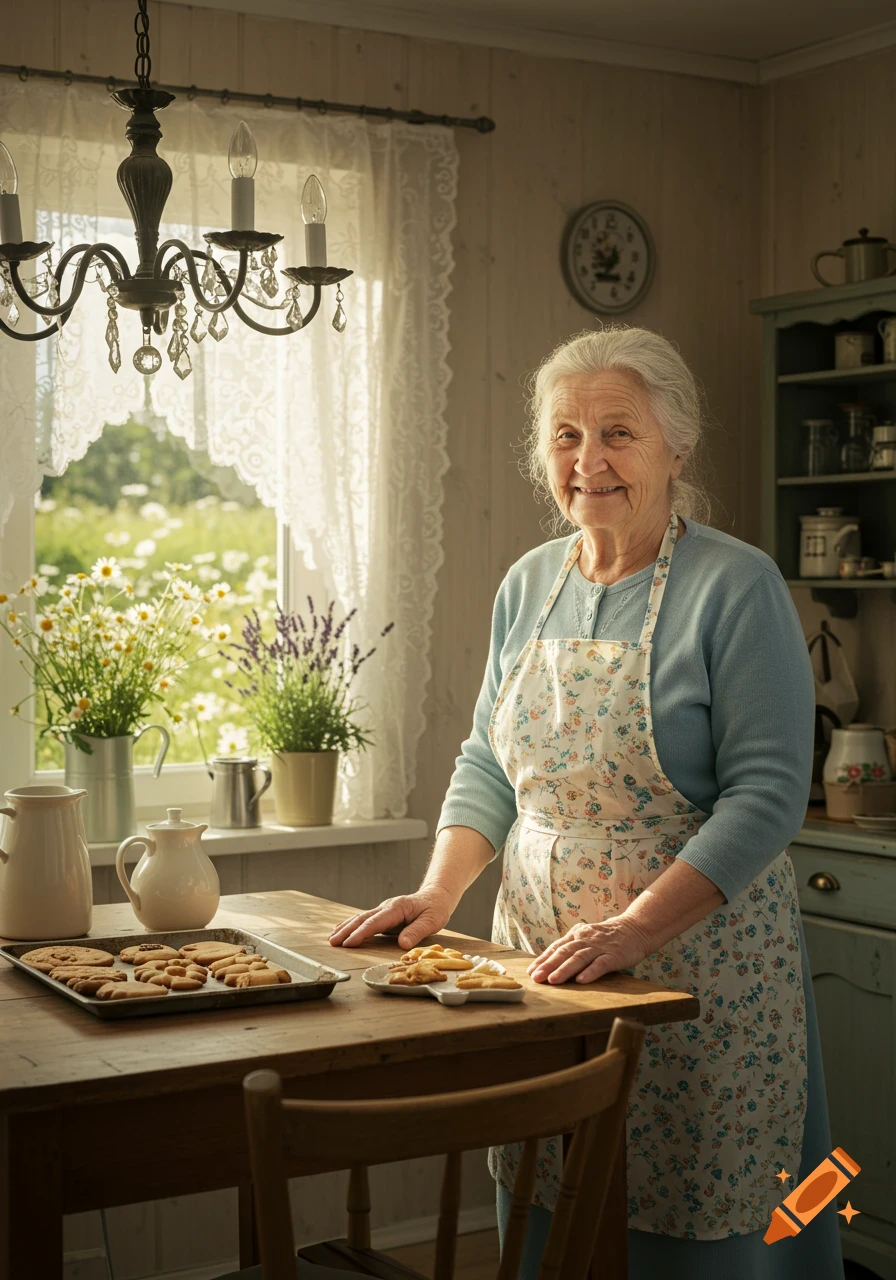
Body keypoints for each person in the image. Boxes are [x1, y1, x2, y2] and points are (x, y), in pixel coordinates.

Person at [330, 327, 843, 1279]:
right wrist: (439, 895)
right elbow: (489, 759)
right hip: (540, 969)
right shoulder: (531, 582)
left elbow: (769, 797)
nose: (588, 460)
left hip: (698, 979)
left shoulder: (738, 585)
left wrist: (638, 928)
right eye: (566, 435)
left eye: (618, 433)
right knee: (551, 1205)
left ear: (676, 449)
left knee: (707, 1220)